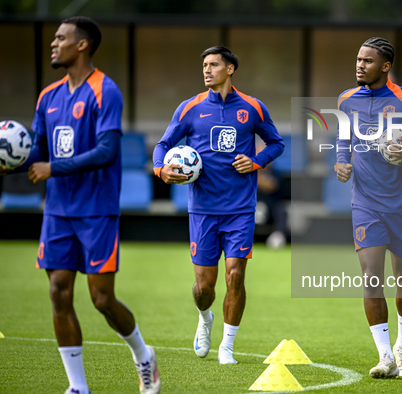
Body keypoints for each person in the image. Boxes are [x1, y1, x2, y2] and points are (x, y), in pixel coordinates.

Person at [0, 17, 160, 394]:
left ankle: (143, 354)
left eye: (61, 38)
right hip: (57, 211)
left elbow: (106, 151)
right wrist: (8, 162)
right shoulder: (47, 96)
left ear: (83, 44)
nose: (53, 44)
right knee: (58, 291)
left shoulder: (106, 91)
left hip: (96, 210)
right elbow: (36, 154)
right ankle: (78, 387)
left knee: (102, 299)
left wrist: (51, 167)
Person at [152, 46, 284, 364]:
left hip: (240, 208)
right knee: (204, 286)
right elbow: (163, 145)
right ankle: (205, 318)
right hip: (202, 208)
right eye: (204, 66)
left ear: (230, 69)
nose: (207, 70)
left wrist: (255, 161)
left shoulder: (252, 108)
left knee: (235, 276)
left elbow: (277, 143)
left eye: (213, 65)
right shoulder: (190, 108)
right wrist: (161, 168)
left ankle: (227, 346)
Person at [335, 37, 402, 378]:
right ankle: (385, 357)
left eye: (367, 61)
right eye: (358, 59)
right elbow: (343, 139)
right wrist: (341, 162)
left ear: (385, 66)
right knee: (371, 278)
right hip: (366, 203)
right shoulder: (346, 100)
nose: (359, 65)